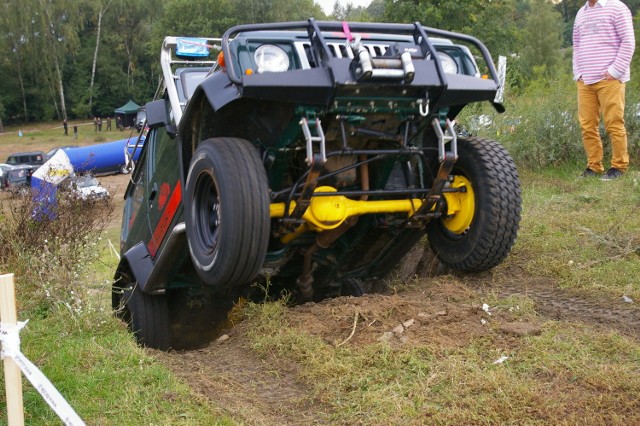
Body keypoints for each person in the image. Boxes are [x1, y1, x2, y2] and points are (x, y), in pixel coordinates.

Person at [573, 0, 635, 180]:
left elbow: (628, 42)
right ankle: (594, 166)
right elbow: (576, 46)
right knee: (587, 126)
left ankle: (619, 166)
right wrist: (578, 72)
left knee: (614, 123)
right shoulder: (581, 13)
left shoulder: (617, 7)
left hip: (610, 79)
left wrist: (614, 70)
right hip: (585, 80)